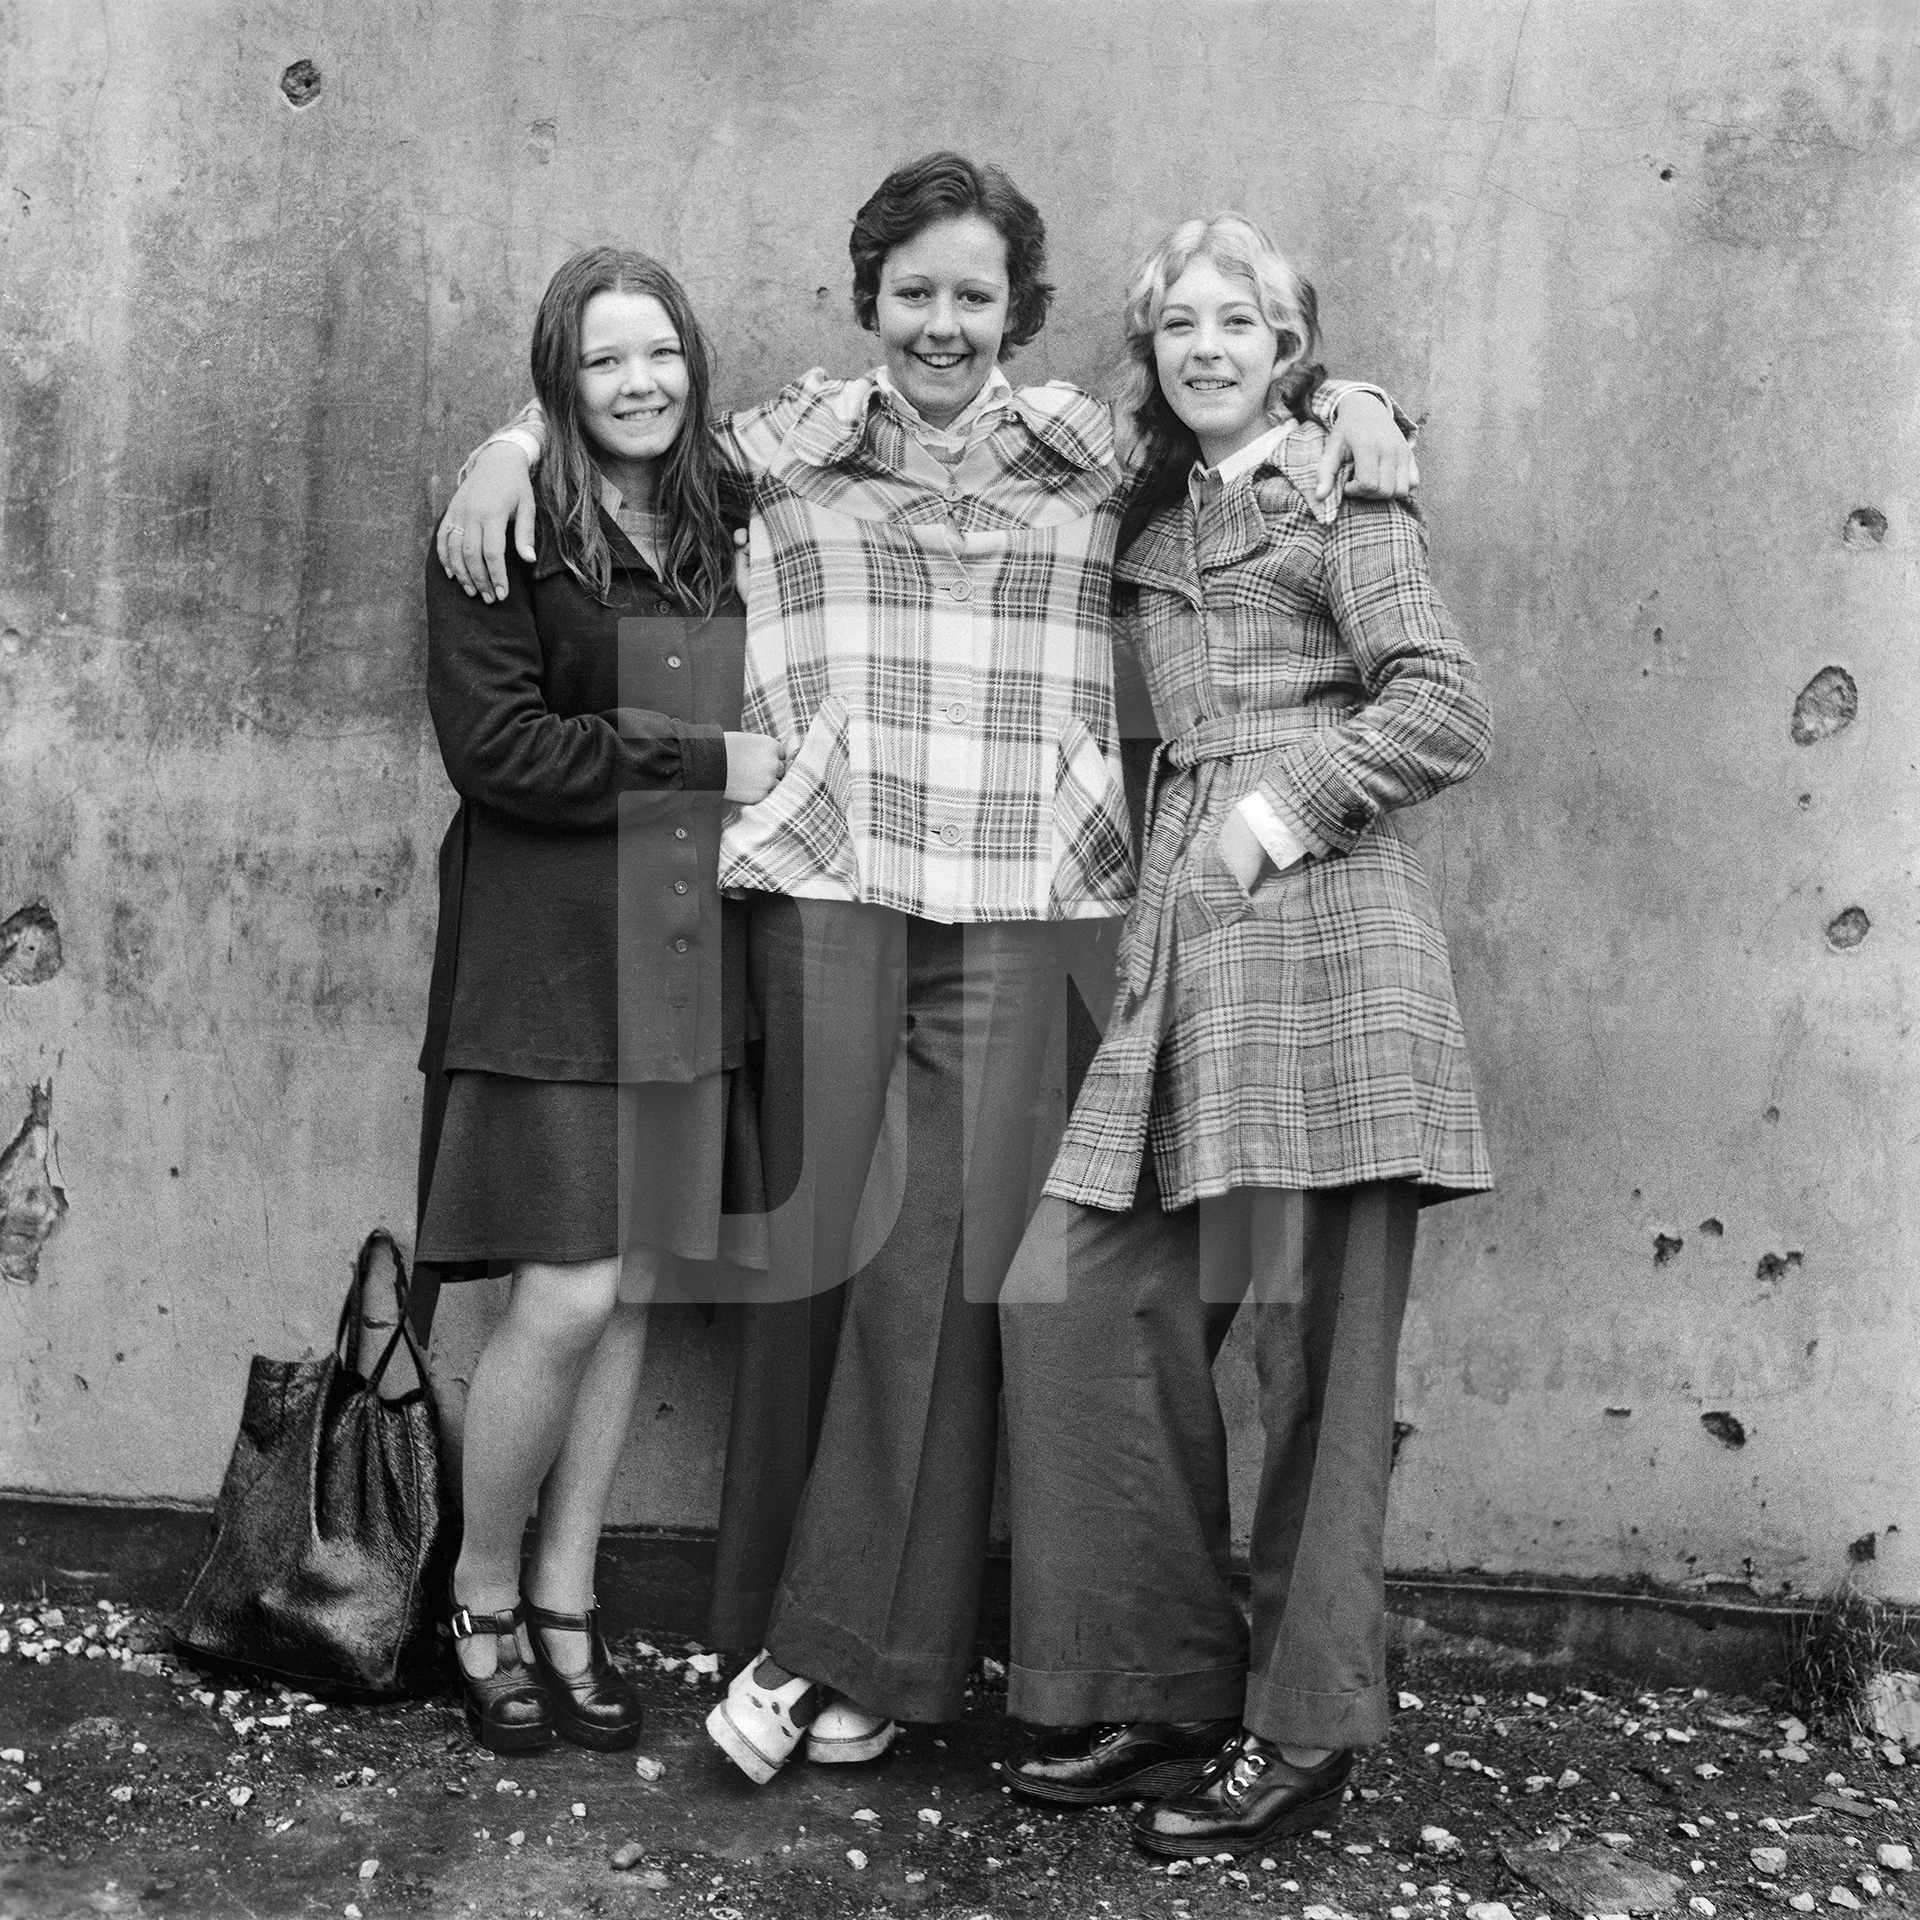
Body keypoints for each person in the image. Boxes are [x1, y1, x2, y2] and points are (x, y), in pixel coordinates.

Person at [434, 155, 1417, 1783]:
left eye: (975, 297)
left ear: (1018, 313)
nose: (943, 325)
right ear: (869, 299)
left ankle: (869, 1657)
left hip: (1030, 904)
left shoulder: (1103, 458)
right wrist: (510, 439)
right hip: (824, 888)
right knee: (813, 1276)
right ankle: (783, 1633)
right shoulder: (785, 451)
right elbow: (633, 435)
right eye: (915, 294)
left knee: (950, 1274)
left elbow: (1264, 417)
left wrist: (1366, 399)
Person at [998, 213, 1493, 1860]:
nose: (1208, 347)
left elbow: (1440, 702)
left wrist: (1275, 812)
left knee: (1314, 1367)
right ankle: (1167, 1680)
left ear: (1293, 347)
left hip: (1333, 956)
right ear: (1148, 352)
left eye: (1244, 323)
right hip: (1184, 959)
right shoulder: (1151, 512)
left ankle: (1301, 1728)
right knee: (1081, 1303)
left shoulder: (1350, 487)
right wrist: (520, 436)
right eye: (1179, 326)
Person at [417, 247, 780, 1756]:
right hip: (549, 952)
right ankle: (481, 1598)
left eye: (663, 357)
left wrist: (1346, 404)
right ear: (557, 380)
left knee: (631, 1287)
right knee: (561, 1290)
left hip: (682, 948)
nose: (641, 384)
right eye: (605, 362)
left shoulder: (726, 507)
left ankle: (570, 1593)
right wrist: (696, 763)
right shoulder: (503, 528)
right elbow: (498, 752)